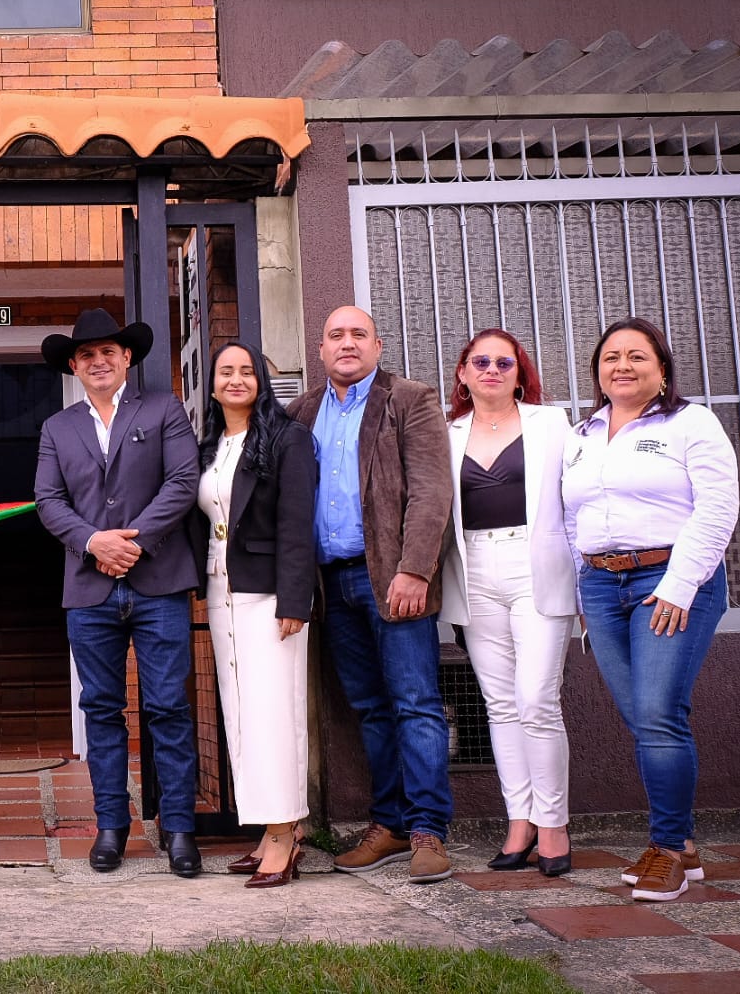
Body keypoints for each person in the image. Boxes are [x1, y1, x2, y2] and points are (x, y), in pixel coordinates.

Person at [562, 317, 738, 903]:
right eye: (611, 357)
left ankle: (667, 850)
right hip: (601, 586)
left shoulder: (691, 423)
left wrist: (680, 585)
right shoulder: (581, 435)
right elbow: (572, 518)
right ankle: (681, 844)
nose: (622, 366)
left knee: (660, 713)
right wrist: (582, 590)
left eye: (637, 356)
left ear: (662, 369)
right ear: (597, 371)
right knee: (643, 717)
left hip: (669, 579)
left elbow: (718, 507)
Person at [287, 305, 456, 885]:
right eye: (336, 335)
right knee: (369, 708)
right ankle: (390, 825)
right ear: (321, 349)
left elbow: (432, 492)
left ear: (378, 346)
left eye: (359, 334)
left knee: (416, 703)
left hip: (392, 579)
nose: (347, 343)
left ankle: (428, 830)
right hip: (331, 585)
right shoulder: (301, 412)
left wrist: (415, 570)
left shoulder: (409, 400)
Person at [34, 308, 204, 877]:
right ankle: (111, 827)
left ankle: (178, 828)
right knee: (102, 710)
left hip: (159, 583)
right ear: (74, 366)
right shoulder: (58, 428)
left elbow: (183, 481)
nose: (98, 361)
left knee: (168, 707)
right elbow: (48, 500)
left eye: (108, 351)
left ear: (127, 357)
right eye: (86, 354)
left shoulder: (163, 408)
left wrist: (132, 543)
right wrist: (93, 543)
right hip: (88, 591)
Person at [438, 330, 576, 877]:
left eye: (504, 362)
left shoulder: (552, 425)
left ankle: (554, 823)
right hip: (474, 570)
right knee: (499, 705)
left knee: (537, 699)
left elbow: (578, 499)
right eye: (481, 362)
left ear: (520, 374)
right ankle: (520, 821)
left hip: (535, 567)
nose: (492, 370)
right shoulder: (446, 432)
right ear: (463, 374)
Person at [193, 341, 318, 889]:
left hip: (269, 596)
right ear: (213, 384)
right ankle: (271, 830)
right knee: (242, 713)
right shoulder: (211, 445)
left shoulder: (288, 438)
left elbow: (297, 523)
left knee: (274, 714)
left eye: (248, 371)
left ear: (262, 383)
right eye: (227, 371)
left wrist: (294, 600)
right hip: (222, 591)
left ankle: (286, 834)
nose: (237, 379)